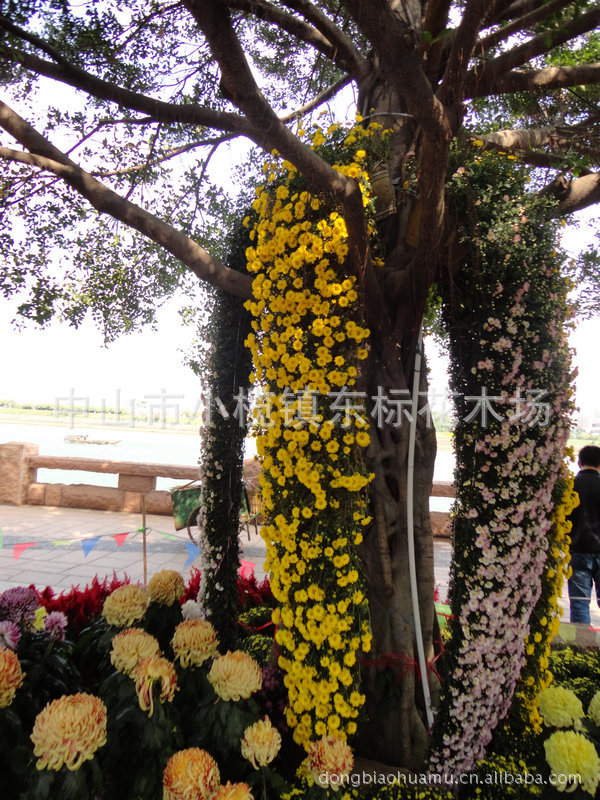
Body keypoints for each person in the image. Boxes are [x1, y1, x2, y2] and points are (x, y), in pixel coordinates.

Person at [568, 445, 600, 624]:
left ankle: (582, 640)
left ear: (579, 463)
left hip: (577, 550)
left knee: (579, 603)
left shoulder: (570, 487)